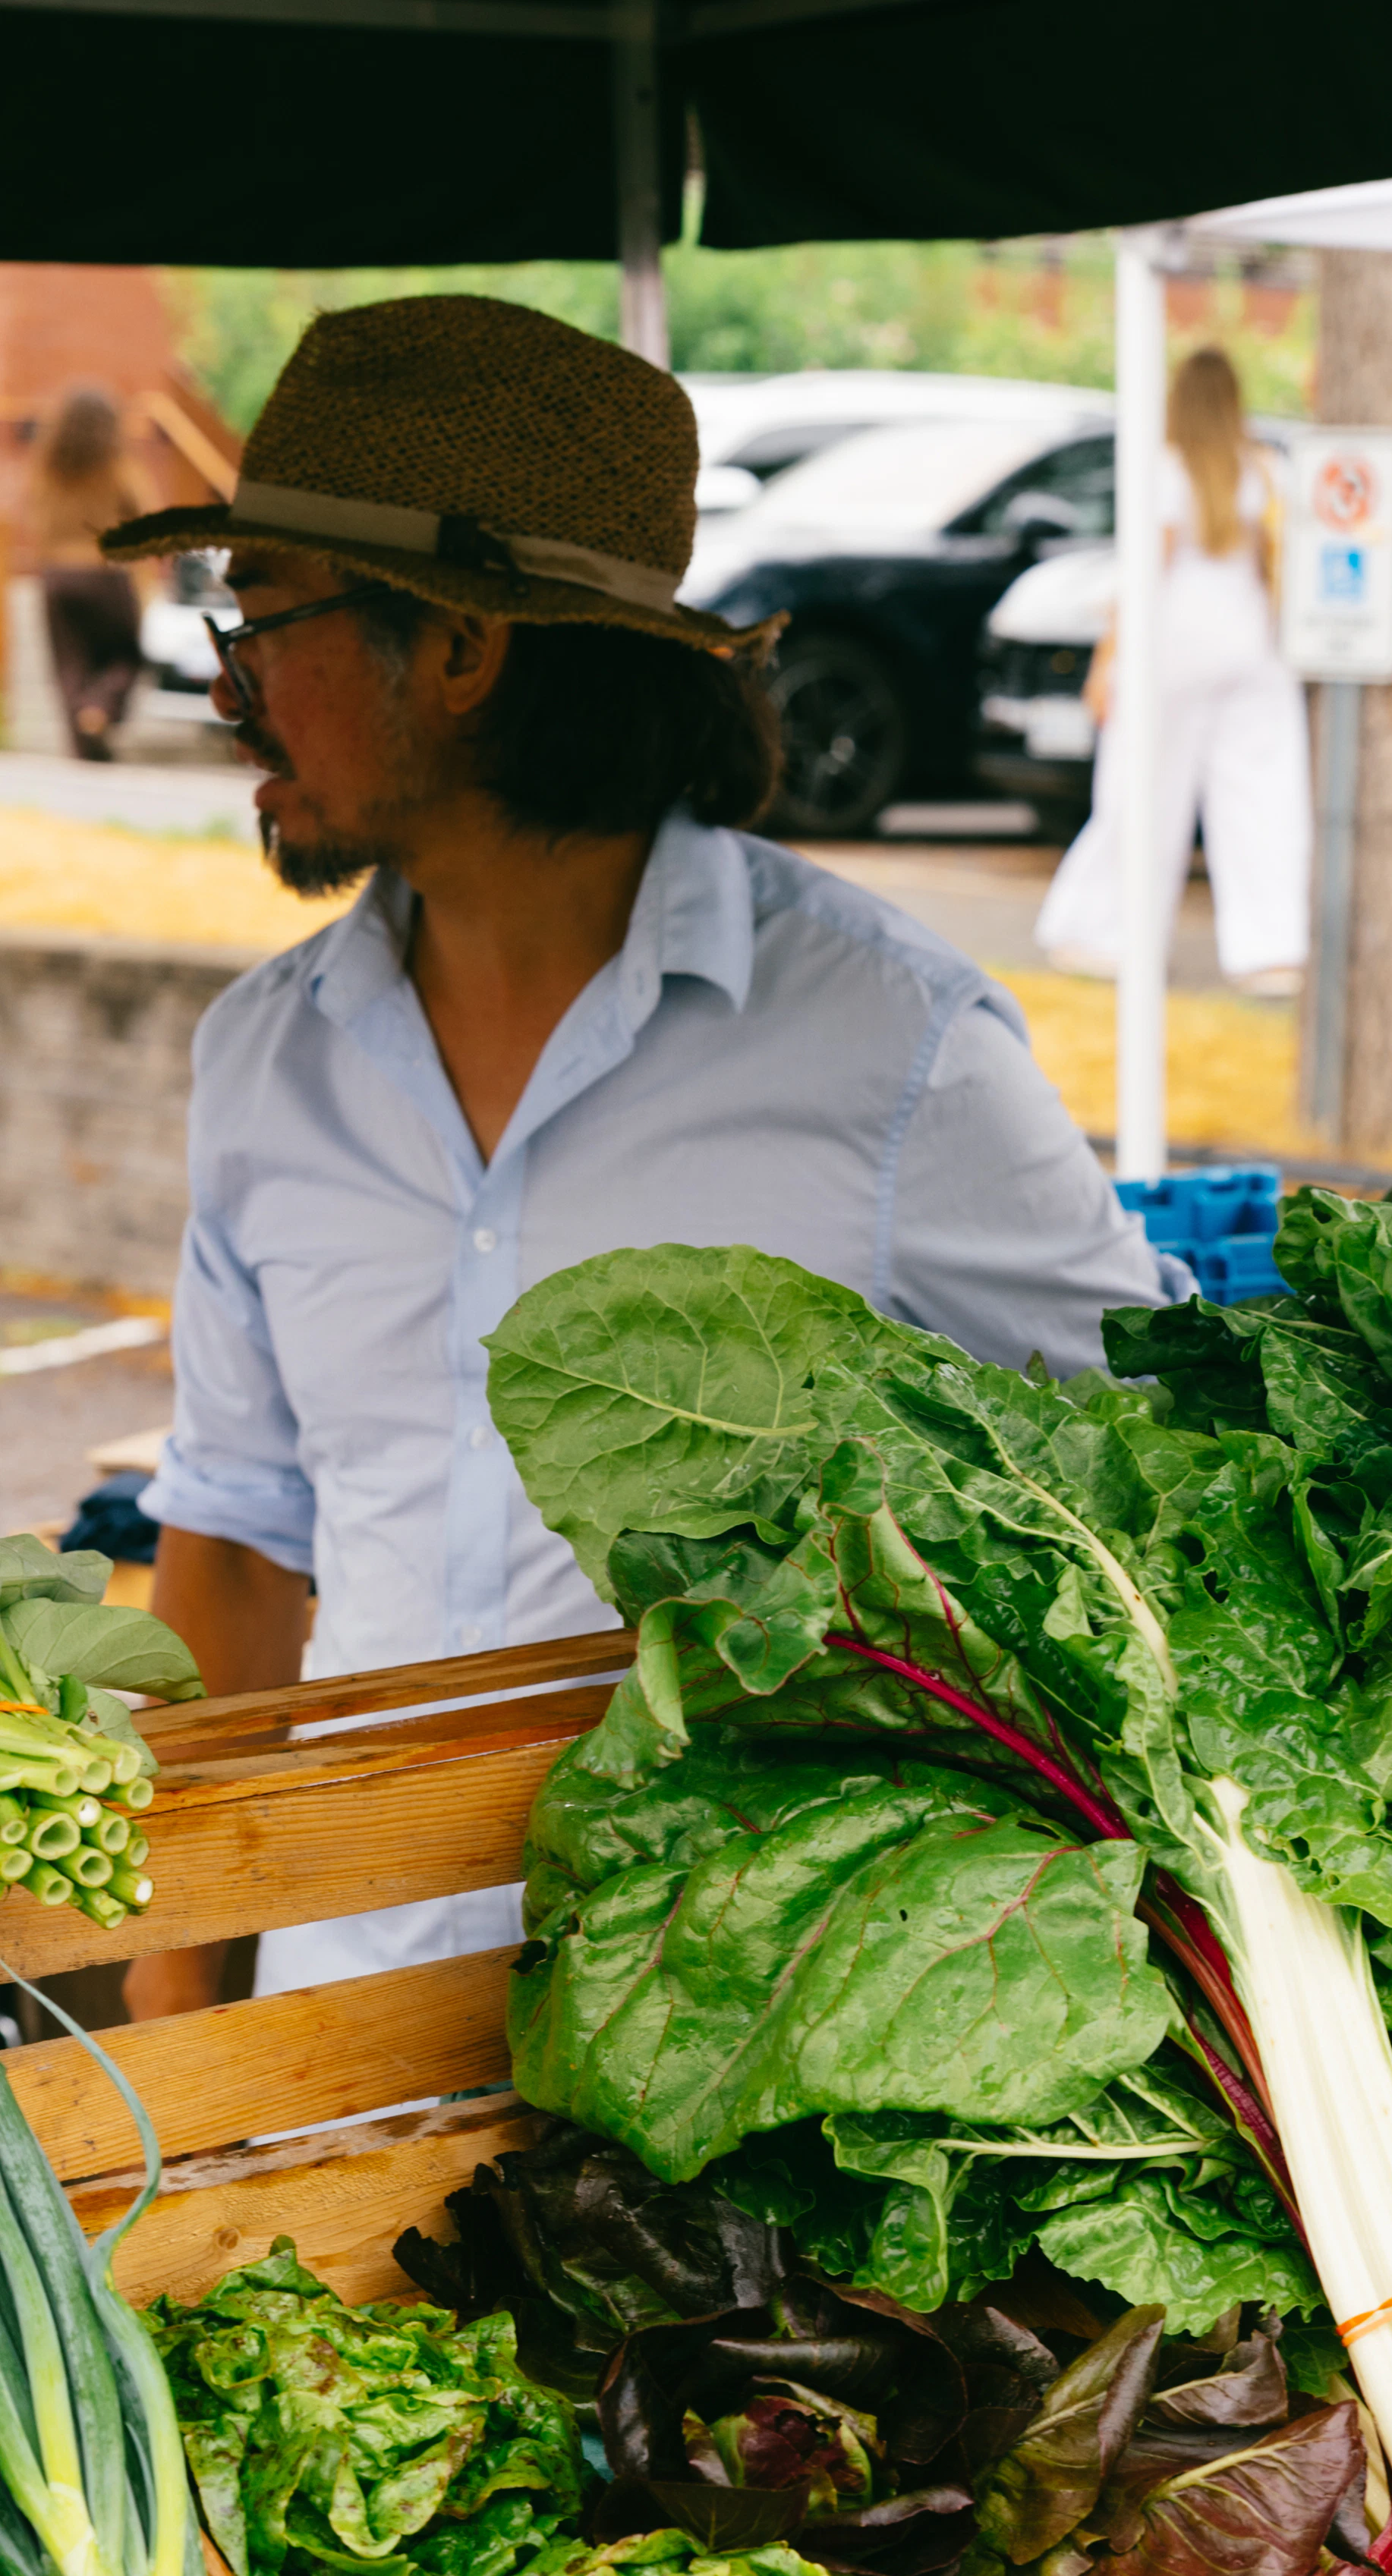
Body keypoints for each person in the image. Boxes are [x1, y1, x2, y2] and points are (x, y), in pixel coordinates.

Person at [101, 294, 1186, 2019]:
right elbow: (233, 1543)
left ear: (460, 647)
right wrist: (180, 2040)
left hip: (724, 2065)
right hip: (333, 2023)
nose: (230, 688)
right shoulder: (266, 1062)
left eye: (266, 614)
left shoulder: (892, 1050)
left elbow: (1151, 1486)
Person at [1036, 347, 1311, 998]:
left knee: (1141, 795)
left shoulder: (1165, 470)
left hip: (1172, 648)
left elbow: (1144, 575)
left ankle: (1107, 936)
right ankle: (1270, 951)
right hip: (1251, 644)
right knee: (1262, 801)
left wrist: (1106, 663)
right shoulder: (1266, 470)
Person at [30, 389, 150, 761]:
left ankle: (84, 747)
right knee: (125, 655)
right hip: (104, 573)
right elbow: (146, 518)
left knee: (69, 665)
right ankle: (98, 709)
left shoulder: (46, 471)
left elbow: (36, 519)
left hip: (56, 577)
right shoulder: (118, 469)